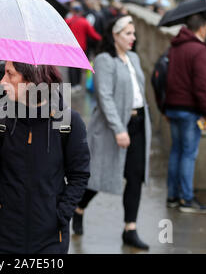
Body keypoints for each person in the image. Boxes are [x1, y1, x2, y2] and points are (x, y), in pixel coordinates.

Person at [0, 62, 90, 254]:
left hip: (50, 238)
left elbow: (79, 175)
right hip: (2, 233)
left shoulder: (68, 121)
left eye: (10, 74)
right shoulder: (0, 119)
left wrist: (61, 214)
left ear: (31, 80)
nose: (2, 81)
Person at [74, 15, 152, 250]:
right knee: (100, 175)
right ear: (115, 35)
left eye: (134, 33)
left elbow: (139, 90)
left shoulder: (135, 58)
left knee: (135, 177)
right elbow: (104, 97)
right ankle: (78, 207)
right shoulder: (104, 60)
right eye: (128, 33)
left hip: (139, 124)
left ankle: (130, 229)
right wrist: (119, 129)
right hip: (113, 126)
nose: (133, 38)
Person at [164, 13, 206, 214]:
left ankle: (172, 196)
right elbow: (200, 85)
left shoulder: (176, 46)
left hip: (173, 106)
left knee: (176, 152)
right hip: (190, 110)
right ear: (203, 28)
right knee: (188, 154)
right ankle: (186, 199)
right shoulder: (199, 49)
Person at [65, 2, 102, 93]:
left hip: (70, 46)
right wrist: (102, 39)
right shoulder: (84, 22)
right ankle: (77, 84)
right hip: (81, 47)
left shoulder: (68, 21)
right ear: (81, 12)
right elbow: (93, 34)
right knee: (79, 66)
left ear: (73, 11)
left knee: (71, 67)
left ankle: (72, 85)